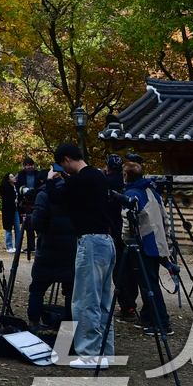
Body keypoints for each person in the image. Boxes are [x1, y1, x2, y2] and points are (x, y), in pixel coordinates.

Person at [52, 141, 115, 368]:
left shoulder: (81, 179)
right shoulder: (98, 176)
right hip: (107, 242)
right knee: (103, 301)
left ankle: (89, 353)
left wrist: (51, 182)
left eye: (62, 166)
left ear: (67, 160)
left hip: (90, 242)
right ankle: (105, 352)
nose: (63, 171)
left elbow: (57, 198)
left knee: (85, 300)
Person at [118, 161, 172, 335]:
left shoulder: (132, 194)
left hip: (142, 244)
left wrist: (126, 240)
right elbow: (165, 218)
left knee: (149, 286)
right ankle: (148, 316)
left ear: (126, 176)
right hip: (157, 243)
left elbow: (127, 221)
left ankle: (161, 322)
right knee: (150, 281)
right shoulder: (153, 192)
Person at [26, 166, 75, 327]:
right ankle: (68, 331)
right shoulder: (72, 193)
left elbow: (36, 223)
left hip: (48, 250)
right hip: (71, 251)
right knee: (71, 293)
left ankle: (34, 324)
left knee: (37, 288)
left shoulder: (44, 194)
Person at [16, 157, 42, 254]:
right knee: (27, 225)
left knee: (38, 223)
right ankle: (30, 246)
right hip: (25, 202)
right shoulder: (20, 175)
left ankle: (40, 245)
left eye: (31, 164)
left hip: (37, 200)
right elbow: (15, 184)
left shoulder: (38, 174)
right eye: (28, 165)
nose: (30, 167)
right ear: (24, 166)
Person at [0, 173, 20, 253]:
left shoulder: (16, 187)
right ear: (8, 179)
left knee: (17, 228)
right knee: (8, 228)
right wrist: (13, 201)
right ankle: (9, 246)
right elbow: (5, 200)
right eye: (12, 177)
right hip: (8, 210)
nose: (14, 178)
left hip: (15, 209)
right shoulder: (5, 188)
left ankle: (17, 246)